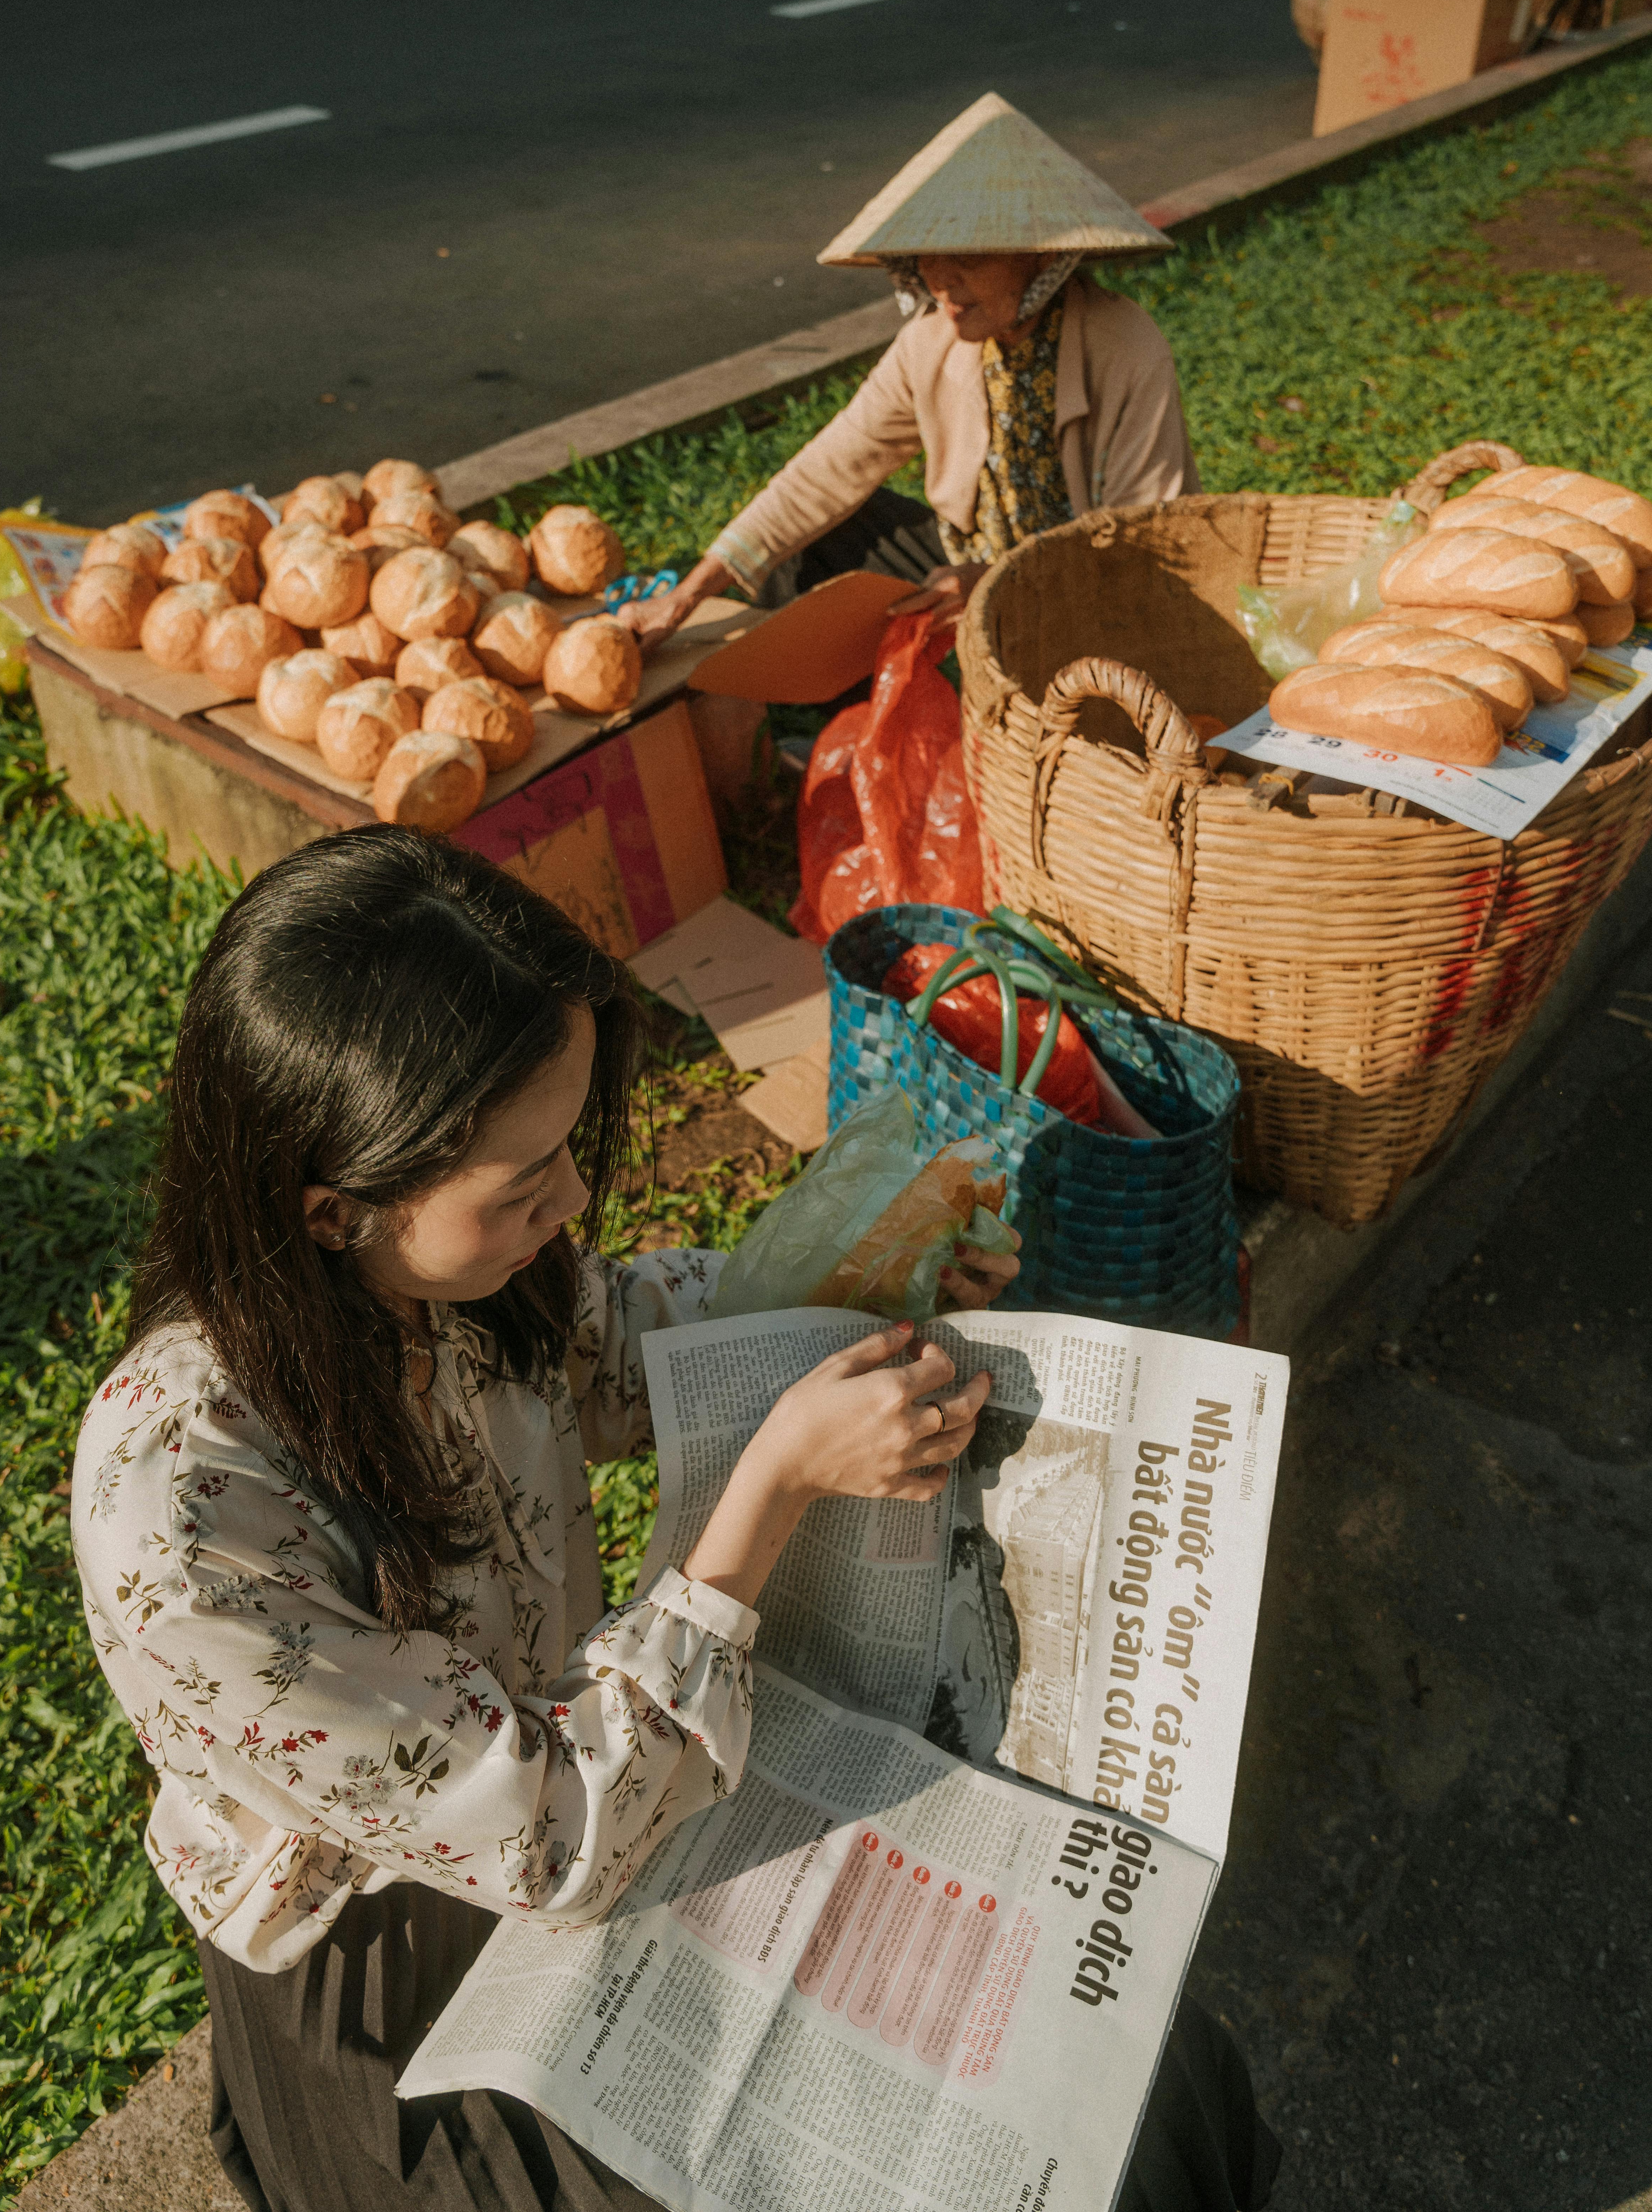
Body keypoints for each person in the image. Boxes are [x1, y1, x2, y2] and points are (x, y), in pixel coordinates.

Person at [72, 829, 1277, 2212]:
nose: (571, 1205)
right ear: (332, 1207)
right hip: (412, 1950)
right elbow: (550, 1842)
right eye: (523, 1189)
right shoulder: (191, 1525)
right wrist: (762, 1498)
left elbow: (635, 1335)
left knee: (1124, 2079)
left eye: (566, 1153)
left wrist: (879, 1282)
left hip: (625, 1771)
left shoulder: (458, 1285)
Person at [619, 93, 1199, 652]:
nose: (942, 286)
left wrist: (997, 581)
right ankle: (865, 709)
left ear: (1043, 256)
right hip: (963, 555)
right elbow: (829, 468)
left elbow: (1143, 546)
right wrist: (687, 595)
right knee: (806, 545)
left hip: (1086, 589)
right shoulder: (929, 342)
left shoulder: (1125, 349)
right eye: (928, 261)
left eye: (969, 260)